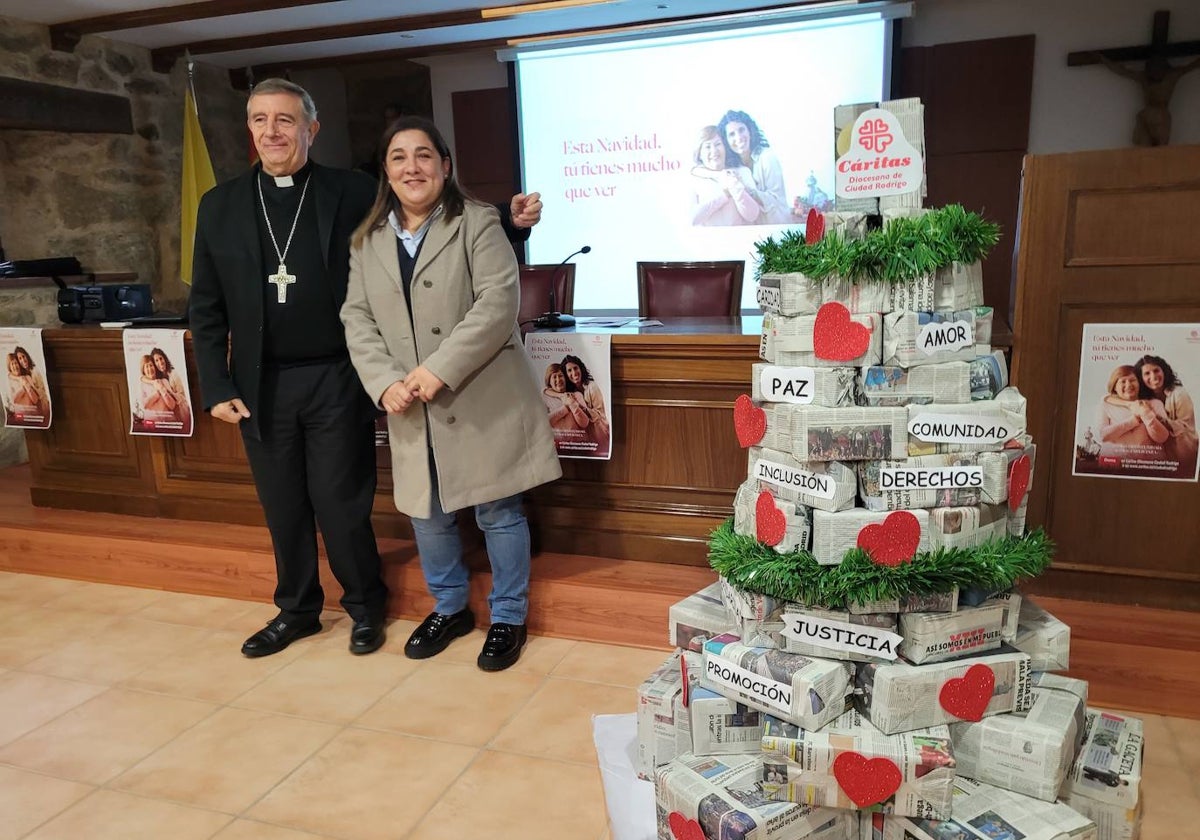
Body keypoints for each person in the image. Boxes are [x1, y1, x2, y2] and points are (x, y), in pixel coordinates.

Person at [341, 115, 561, 672]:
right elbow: (356, 316)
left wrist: (438, 369)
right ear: (386, 173)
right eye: (398, 158)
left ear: (445, 166)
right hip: (408, 400)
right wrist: (384, 381)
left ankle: (508, 616)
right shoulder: (366, 241)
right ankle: (450, 607)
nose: (411, 167)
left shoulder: (479, 222)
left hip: (478, 391)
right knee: (427, 511)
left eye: (422, 155)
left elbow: (496, 303)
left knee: (497, 508)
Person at [189, 78, 389, 658]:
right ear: (249, 128)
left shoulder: (352, 191)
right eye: (259, 120)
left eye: (284, 119)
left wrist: (505, 218)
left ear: (311, 128)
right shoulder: (220, 205)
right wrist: (215, 383)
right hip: (261, 383)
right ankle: (297, 608)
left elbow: (421, 228)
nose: (271, 131)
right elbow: (205, 305)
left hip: (336, 375)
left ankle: (364, 605)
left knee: (340, 499)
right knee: (282, 503)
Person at [717, 109, 790, 224]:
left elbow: (775, 200)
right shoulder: (732, 167)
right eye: (732, 134)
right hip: (754, 232)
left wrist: (746, 190)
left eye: (741, 130)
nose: (739, 137)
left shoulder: (767, 157)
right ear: (726, 140)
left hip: (778, 225)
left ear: (749, 131)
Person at [1134, 353, 1197, 470]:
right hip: (1163, 461)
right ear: (1140, 379)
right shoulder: (1145, 401)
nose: (1153, 376)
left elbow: (1184, 427)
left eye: (1156, 370)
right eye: (1147, 373)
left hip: (1186, 454)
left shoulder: (1179, 394)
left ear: (1163, 371)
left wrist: (1153, 417)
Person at [688, 125, 760, 226]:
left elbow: (753, 215)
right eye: (708, 146)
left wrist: (736, 188)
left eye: (718, 144)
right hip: (709, 241)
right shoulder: (694, 179)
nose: (714, 151)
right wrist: (724, 195)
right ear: (699, 154)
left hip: (743, 240)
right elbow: (693, 219)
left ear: (725, 147)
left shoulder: (743, 172)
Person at [1096, 364, 1170, 459]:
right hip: (1115, 464)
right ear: (1114, 387)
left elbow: (1162, 438)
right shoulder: (1106, 404)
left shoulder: (1155, 404)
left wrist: (1146, 415)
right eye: (1123, 381)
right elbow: (1102, 436)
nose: (1128, 385)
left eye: (1132, 380)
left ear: (1139, 383)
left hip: (1147, 465)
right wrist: (1133, 421)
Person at [563, 353, 610, 456]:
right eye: (569, 370)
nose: (574, 372)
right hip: (582, 439)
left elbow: (599, 414)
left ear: (581, 368)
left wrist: (579, 406)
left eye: (575, 368)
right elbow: (547, 390)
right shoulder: (570, 391)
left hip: (598, 433)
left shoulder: (592, 387)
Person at [150, 347, 193, 433]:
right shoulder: (157, 378)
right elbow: (142, 378)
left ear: (164, 358)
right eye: (156, 361)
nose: (160, 362)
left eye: (161, 358)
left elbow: (182, 397)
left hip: (180, 413)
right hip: (166, 416)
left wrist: (167, 391)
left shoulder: (174, 374)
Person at [542, 363, 590, 432]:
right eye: (554, 377)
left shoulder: (577, 395)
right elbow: (543, 423)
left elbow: (584, 423)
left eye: (561, 376)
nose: (558, 380)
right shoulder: (545, 397)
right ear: (549, 382)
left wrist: (572, 404)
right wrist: (566, 408)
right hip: (554, 441)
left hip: (577, 441)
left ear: (566, 378)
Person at [137, 354, 177, 422]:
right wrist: (157, 393)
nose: (150, 368)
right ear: (143, 370)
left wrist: (163, 391)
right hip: (152, 423)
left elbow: (172, 406)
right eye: (147, 366)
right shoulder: (142, 385)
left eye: (151, 365)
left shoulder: (164, 381)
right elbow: (144, 405)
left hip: (168, 422)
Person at [13, 347, 50, 414]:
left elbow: (43, 392)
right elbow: (10, 375)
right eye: (20, 358)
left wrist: (31, 387)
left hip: (42, 405)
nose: (23, 360)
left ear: (27, 356)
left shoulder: (35, 371)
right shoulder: (23, 374)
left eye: (23, 356)